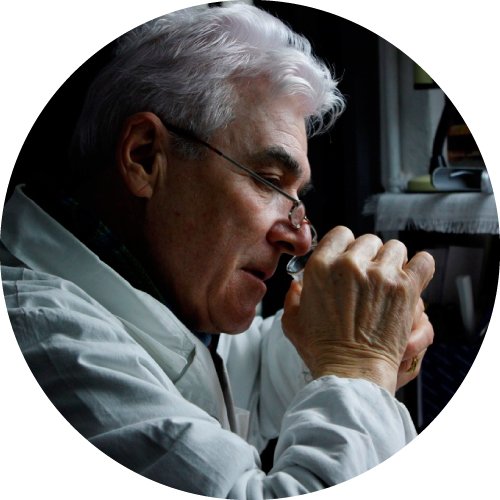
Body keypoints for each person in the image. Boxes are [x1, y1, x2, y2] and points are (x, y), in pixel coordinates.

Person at [1, 3, 434, 498]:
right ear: (145, 157)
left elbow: (244, 371)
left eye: (298, 196)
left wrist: (362, 331)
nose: (301, 237)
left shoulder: (163, 286)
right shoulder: (45, 341)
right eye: (268, 180)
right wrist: (359, 364)